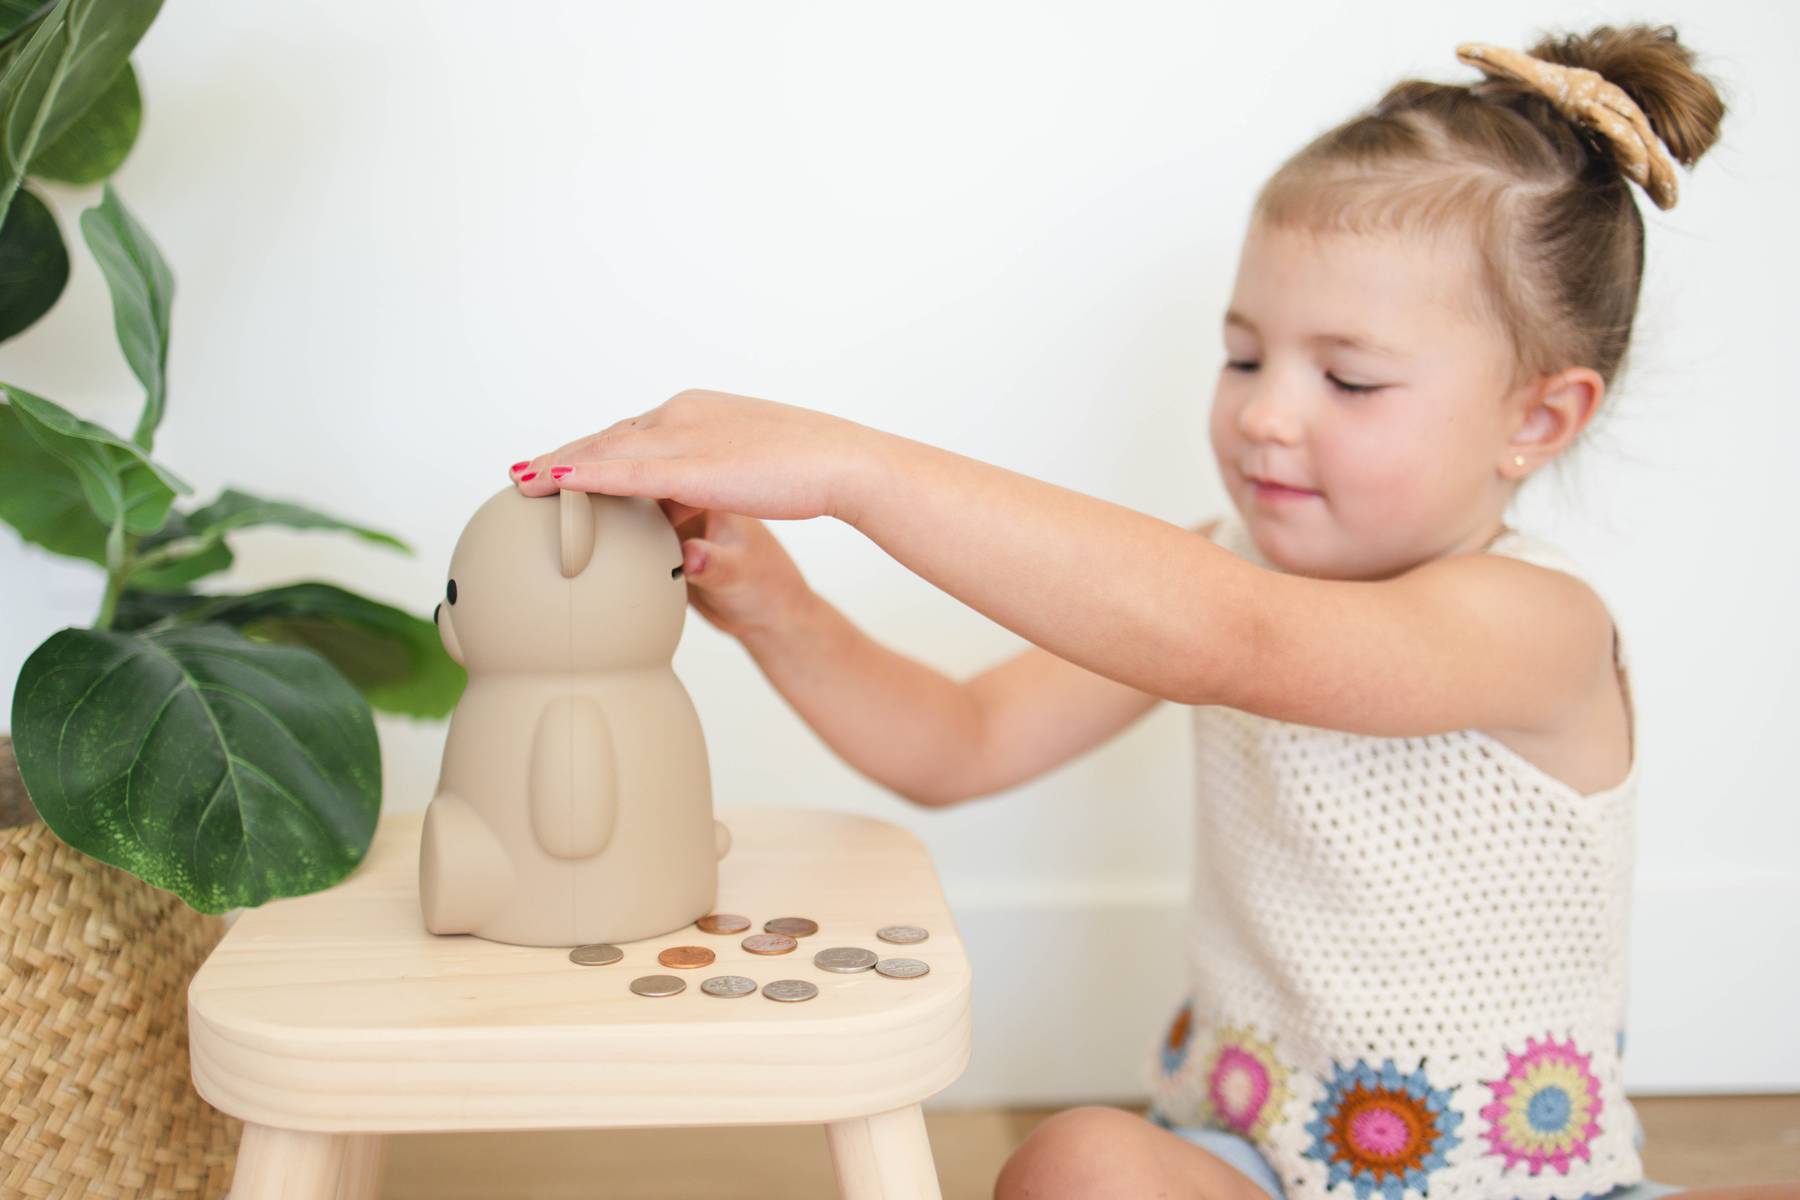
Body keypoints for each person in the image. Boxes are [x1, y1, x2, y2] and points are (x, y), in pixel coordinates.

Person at [508, 23, 1764, 1200]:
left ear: (1539, 417)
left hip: (1500, 1182)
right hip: (1252, 1158)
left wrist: (859, 469)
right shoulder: (1220, 578)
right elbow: (959, 743)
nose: (1265, 411)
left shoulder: (1535, 627)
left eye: (1348, 378)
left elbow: (1238, 639)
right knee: (1082, 1165)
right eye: (1244, 356)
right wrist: (778, 608)